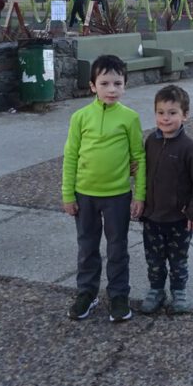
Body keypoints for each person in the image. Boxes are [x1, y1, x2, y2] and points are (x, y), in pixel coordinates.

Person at [62, 55, 146, 323]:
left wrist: (140, 194)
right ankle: (87, 293)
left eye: (118, 83)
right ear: (92, 86)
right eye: (105, 83)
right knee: (87, 246)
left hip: (118, 196)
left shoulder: (130, 118)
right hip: (84, 195)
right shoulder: (79, 117)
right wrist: (67, 194)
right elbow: (71, 156)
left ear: (125, 86)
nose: (112, 89)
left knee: (117, 248)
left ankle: (119, 295)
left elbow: (139, 158)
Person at [139, 86, 193, 315]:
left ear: (184, 115)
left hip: (179, 218)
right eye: (160, 112)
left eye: (172, 113)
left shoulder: (190, 148)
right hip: (152, 216)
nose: (165, 118)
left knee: (178, 260)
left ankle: (179, 292)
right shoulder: (150, 142)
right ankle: (156, 290)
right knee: (154, 259)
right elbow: (143, 172)